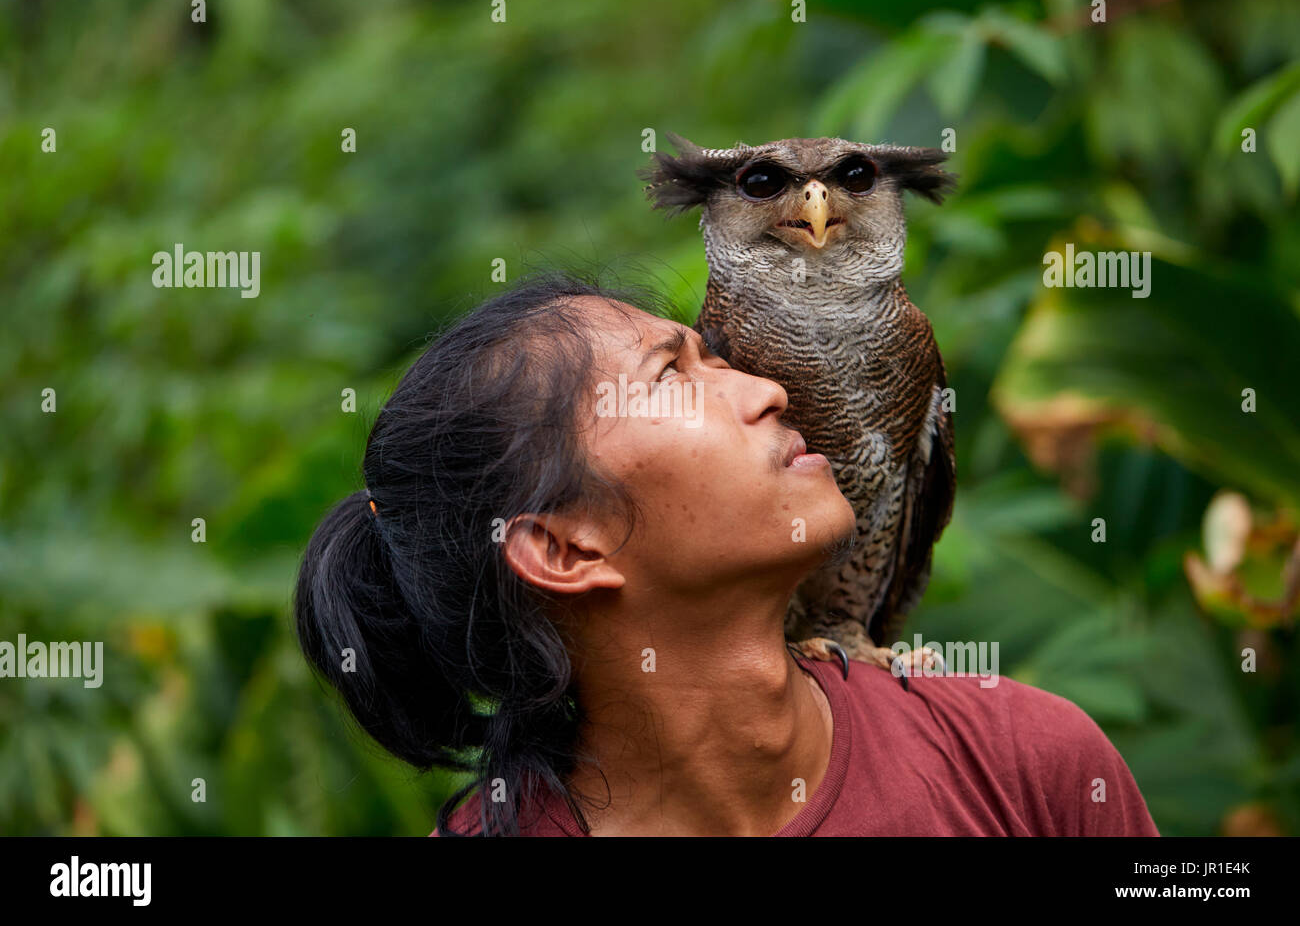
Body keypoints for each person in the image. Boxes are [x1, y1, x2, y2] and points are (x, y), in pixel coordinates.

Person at [293, 273, 1160, 837]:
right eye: (675, 377)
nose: (771, 390)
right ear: (563, 546)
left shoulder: (1027, 762)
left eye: (719, 358)